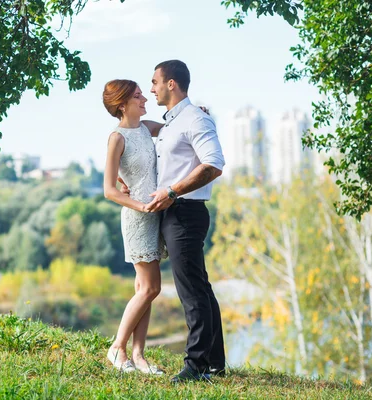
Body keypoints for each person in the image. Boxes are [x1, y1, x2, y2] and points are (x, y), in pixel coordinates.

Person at [144, 59, 226, 382]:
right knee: (201, 288)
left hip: (186, 213)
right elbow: (151, 133)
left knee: (191, 292)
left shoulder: (195, 119)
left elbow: (214, 164)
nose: (151, 88)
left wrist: (172, 192)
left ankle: (196, 366)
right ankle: (215, 363)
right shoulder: (171, 124)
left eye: (154, 82)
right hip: (175, 211)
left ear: (171, 84)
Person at [102, 79, 167, 375]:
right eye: (138, 96)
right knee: (151, 286)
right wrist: (141, 206)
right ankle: (117, 347)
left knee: (144, 289)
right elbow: (109, 191)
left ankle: (139, 355)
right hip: (137, 217)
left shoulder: (146, 128)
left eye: (143, 94)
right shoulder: (117, 138)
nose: (145, 99)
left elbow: (172, 127)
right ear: (122, 104)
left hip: (154, 214)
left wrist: (198, 112)